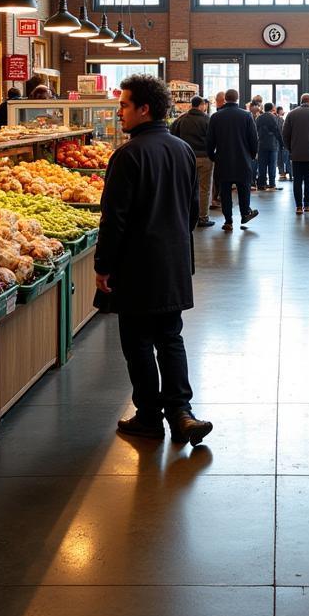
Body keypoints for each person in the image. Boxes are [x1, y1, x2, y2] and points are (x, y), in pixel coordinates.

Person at [93, 75, 212, 446]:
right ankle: (182, 414)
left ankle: (148, 416)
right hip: (173, 262)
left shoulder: (127, 155)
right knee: (170, 337)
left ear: (144, 109)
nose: (119, 111)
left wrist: (103, 265)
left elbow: (115, 218)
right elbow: (192, 210)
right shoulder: (181, 151)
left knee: (139, 342)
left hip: (136, 265)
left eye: (125, 104)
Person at [206, 89, 260, 231]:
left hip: (223, 160)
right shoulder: (246, 116)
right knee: (244, 189)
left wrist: (213, 156)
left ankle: (228, 220)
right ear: (237, 98)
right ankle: (245, 213)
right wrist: (253, 155)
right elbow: (253, 139)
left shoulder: (216, 117)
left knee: (225, 193)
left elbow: (210, 141)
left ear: (225, 100)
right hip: (243, 159)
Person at [170, 96, 214, 228]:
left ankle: (185, 214)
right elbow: (213, 139)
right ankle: (202, 217)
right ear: (201, 105)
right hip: (205, 158)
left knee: (185, 186)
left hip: (186, 157)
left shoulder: (181, 119)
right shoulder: (207, 120)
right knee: (204, 188)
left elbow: (172, 134)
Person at [255, 102, 283, 192]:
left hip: (261, 144)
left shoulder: (258, 118)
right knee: (272, 165)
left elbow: (255, 131)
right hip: (273, 145)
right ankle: (272, 184)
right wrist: (281, 143)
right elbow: (277, 131)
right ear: (272, 109)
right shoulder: (274, 118)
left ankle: (261, 184)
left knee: (262, 165)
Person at [275, 105, 290, 180]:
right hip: (281, 140)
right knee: (284, 156)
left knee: (279, 157)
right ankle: (286, 171)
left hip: (277, 140)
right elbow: (282, 131)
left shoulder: (276, 118)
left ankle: (282, 172)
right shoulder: (280, 119)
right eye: (281, 110)